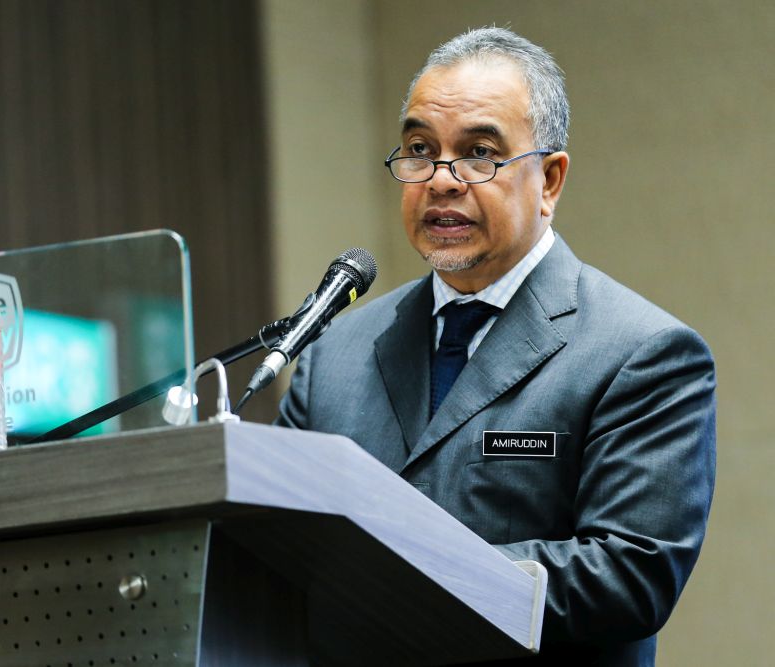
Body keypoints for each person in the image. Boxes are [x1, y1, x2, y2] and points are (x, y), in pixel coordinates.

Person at [277, 27, 716, 666]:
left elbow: (630, 574)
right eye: (419, 150)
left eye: (480, 153)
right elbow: (277, 544)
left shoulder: (641, 352)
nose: (442, 180)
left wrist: (401, 570)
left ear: (550, 181)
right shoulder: (333, 352)